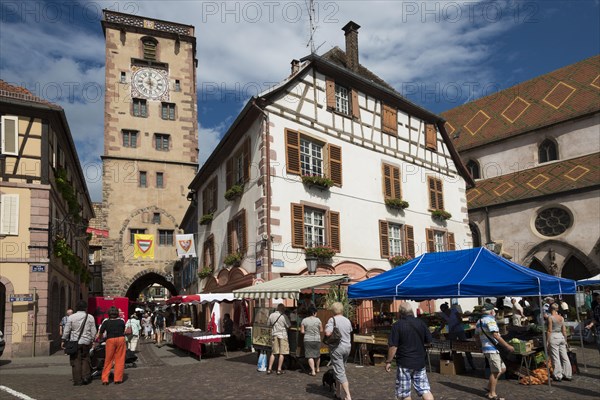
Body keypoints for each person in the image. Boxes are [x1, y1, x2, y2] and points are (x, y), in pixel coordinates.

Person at [385, 302, 434, 400]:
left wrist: (389, 361)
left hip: (405, 363)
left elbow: (393, 346)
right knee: (425, 390)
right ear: (411, 311)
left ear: (400, 313)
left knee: (405, 393)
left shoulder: (397, 325)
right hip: (419, 361)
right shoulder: (421, 323)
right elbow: (429, 342)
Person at [475, 307, 514, 400]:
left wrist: (480, 346)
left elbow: (476, 336)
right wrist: (507, 346)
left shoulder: (479, 321)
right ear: (492, 311)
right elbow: (495, 335)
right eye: (495, 311)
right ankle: (492, 394)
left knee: (503, 368)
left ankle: (489, 386)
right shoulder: (490, 320)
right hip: (492, 349)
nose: (495, 312)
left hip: (487, 348)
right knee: (496, 371)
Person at [62, 300, 96, 386]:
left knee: (76, 360)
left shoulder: (71, 317)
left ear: (77, 308)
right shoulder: (90, 317)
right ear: (85, 308)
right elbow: (93, 331)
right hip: (86, 341)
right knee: (85, 359)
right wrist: (93, 340)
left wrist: (63, 340)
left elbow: (67, 330)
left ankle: (77, 380)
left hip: (75, 342)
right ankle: (85, 377)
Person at [324, 302, 353, 400]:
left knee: (340, 372)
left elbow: (328, 333)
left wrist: (326, 328)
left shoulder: (332, 320)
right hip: (347, 347)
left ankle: (348, 396)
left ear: (333, 310)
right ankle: (338, 393)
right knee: (340, 369)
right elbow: (349, 332)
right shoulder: (347, 320)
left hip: (337, 348)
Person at [438, 302, 476, 370]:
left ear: (447, 308)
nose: (444, 312)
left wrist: (454, 326)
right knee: (453, 347)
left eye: (444, 310)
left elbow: (460, 320)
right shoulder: (443, 315)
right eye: (443, 311)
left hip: (460, 330)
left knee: (465, 346)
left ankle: (472, 364)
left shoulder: (454, 311)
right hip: (452, 332)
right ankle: (455, 363)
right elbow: (443, 324)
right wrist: (438, 330)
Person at [96, 306, 126, 385]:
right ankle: (118, 379)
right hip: (121, 338)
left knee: (108, 359)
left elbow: (101, 332)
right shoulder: (121, 321)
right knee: (119, 359)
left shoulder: (106, 322)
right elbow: (123, 329)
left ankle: (105, 379)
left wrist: (99, 339)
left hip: (110, 339)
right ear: (117, 313)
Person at [547, 303, 572, 382]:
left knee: (556, 357)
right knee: (565, 357)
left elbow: (549, 330)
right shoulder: (561, 317)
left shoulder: (550, 318)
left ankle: (558, 375)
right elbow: (564, 330)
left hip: (554, 337)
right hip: (561, 336)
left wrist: (547, 341)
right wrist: (565, 340)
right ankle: (568, 374)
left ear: (550, 309)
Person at [266, 304, 291, 375]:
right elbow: (288, 325)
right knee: (282, 353)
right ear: (282, 309)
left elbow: (268, 324)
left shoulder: (271, 315)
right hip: (282, 335)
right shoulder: (284, 316)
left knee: (273, 352)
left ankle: (269, 369)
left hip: (274, 334)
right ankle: (279, 369)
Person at [300, 305, 323, 376]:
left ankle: (313, 371)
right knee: (317, 355)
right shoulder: (318, 320)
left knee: (310, 356)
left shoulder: (304, 320)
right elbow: (321, 330)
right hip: (317, 339)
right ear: (314, 313)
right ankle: (318, 368)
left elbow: (302, 331)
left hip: (308, 339)